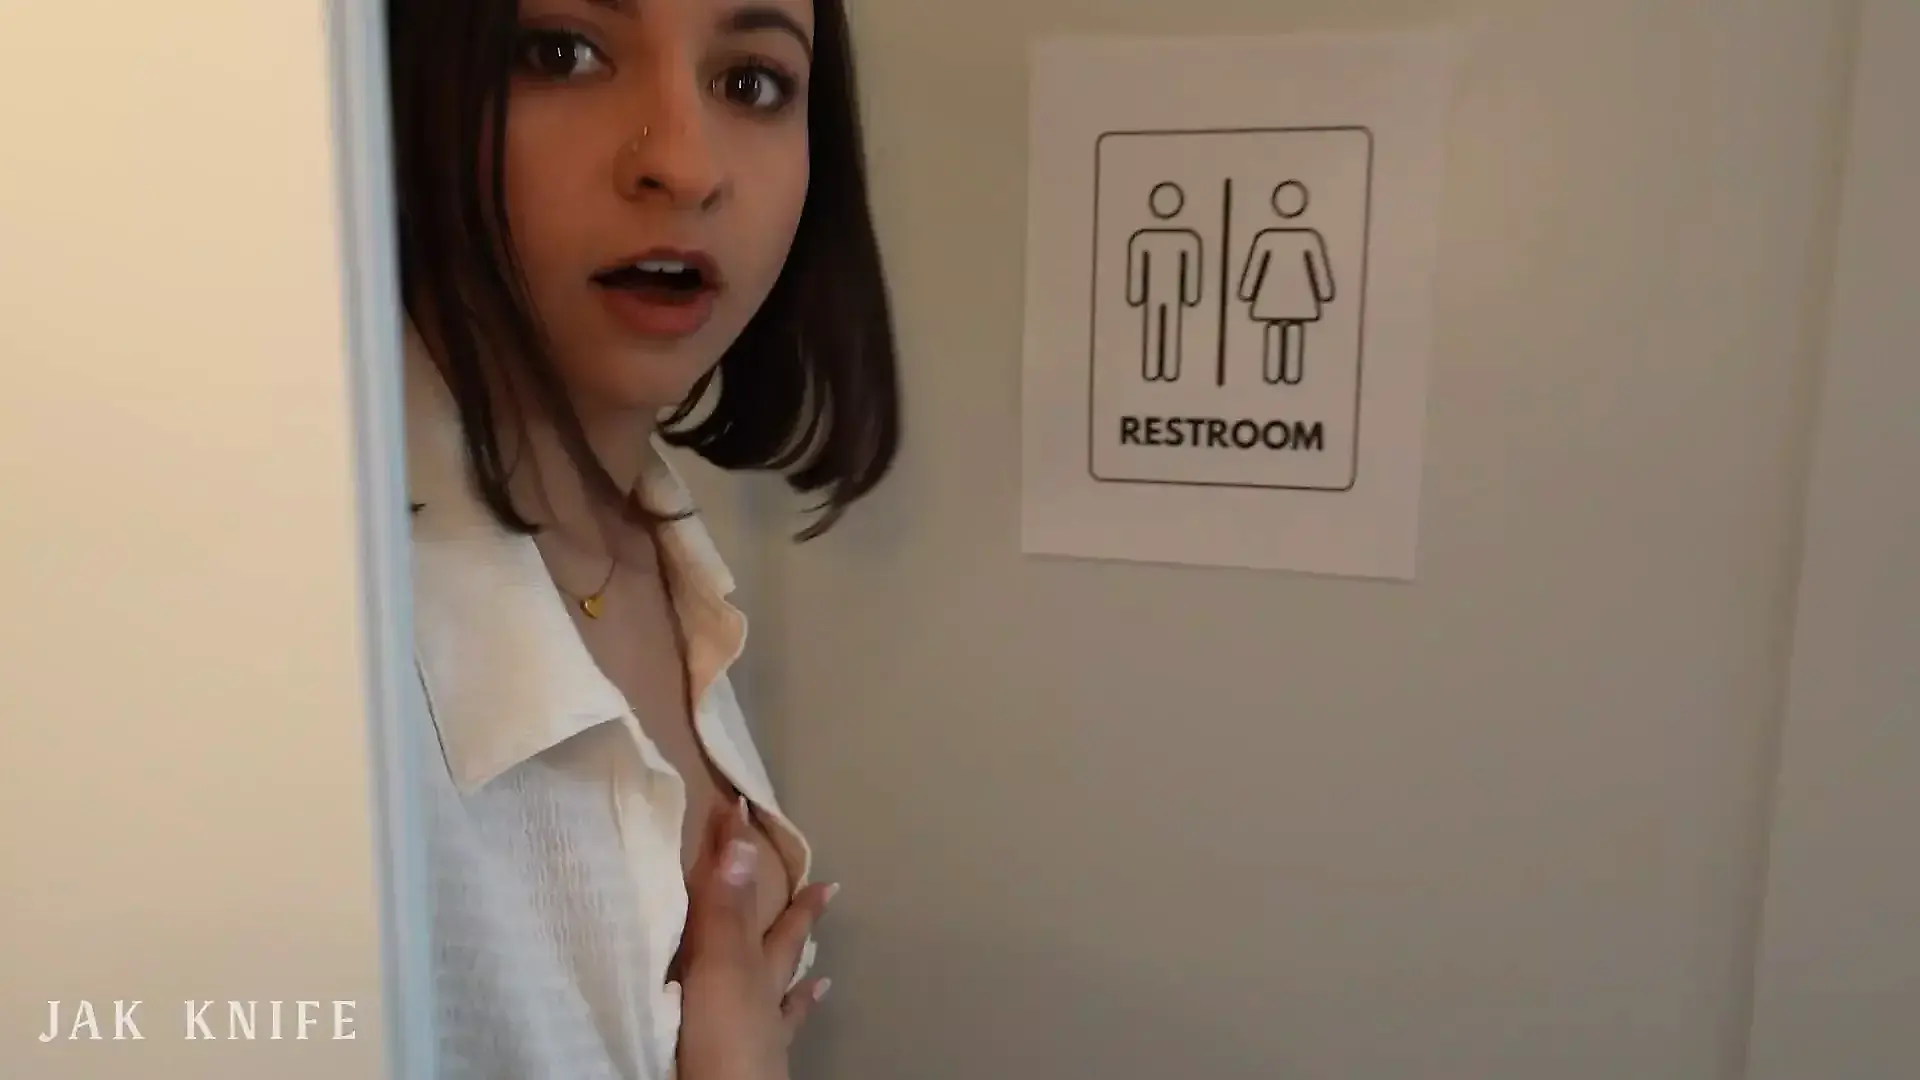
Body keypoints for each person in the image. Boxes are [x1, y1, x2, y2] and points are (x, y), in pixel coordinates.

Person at [383, 0, 900, 1077]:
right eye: (561, 53)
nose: (685, 166)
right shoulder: (328, 659)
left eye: (751, 82)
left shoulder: (654, 554)